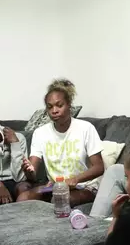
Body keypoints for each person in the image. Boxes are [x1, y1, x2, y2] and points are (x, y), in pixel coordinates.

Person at [18, 79, 104, 207]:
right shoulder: (40, 133)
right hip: (54, 188)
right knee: (23, 199)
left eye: (59, 105)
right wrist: (30, 171)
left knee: (63, 200)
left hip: (84, 187)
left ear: (69, 105)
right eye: (50, 107)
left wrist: (75, 180)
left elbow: (99, 167)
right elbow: (33, 171)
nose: (54, 110)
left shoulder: (86, 128)